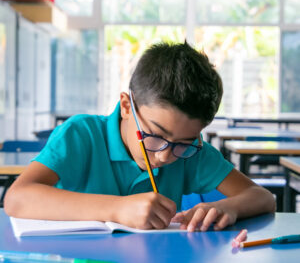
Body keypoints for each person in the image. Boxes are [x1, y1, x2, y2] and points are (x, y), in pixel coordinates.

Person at [4, 42, 275, 232]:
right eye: (155, 135)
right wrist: (117, 209)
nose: (165, 155)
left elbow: (262, 197)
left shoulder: (193, 152)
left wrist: (229, 207)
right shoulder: (81, 134)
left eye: (184, 143)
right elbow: (17, 198)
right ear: (125, 105)